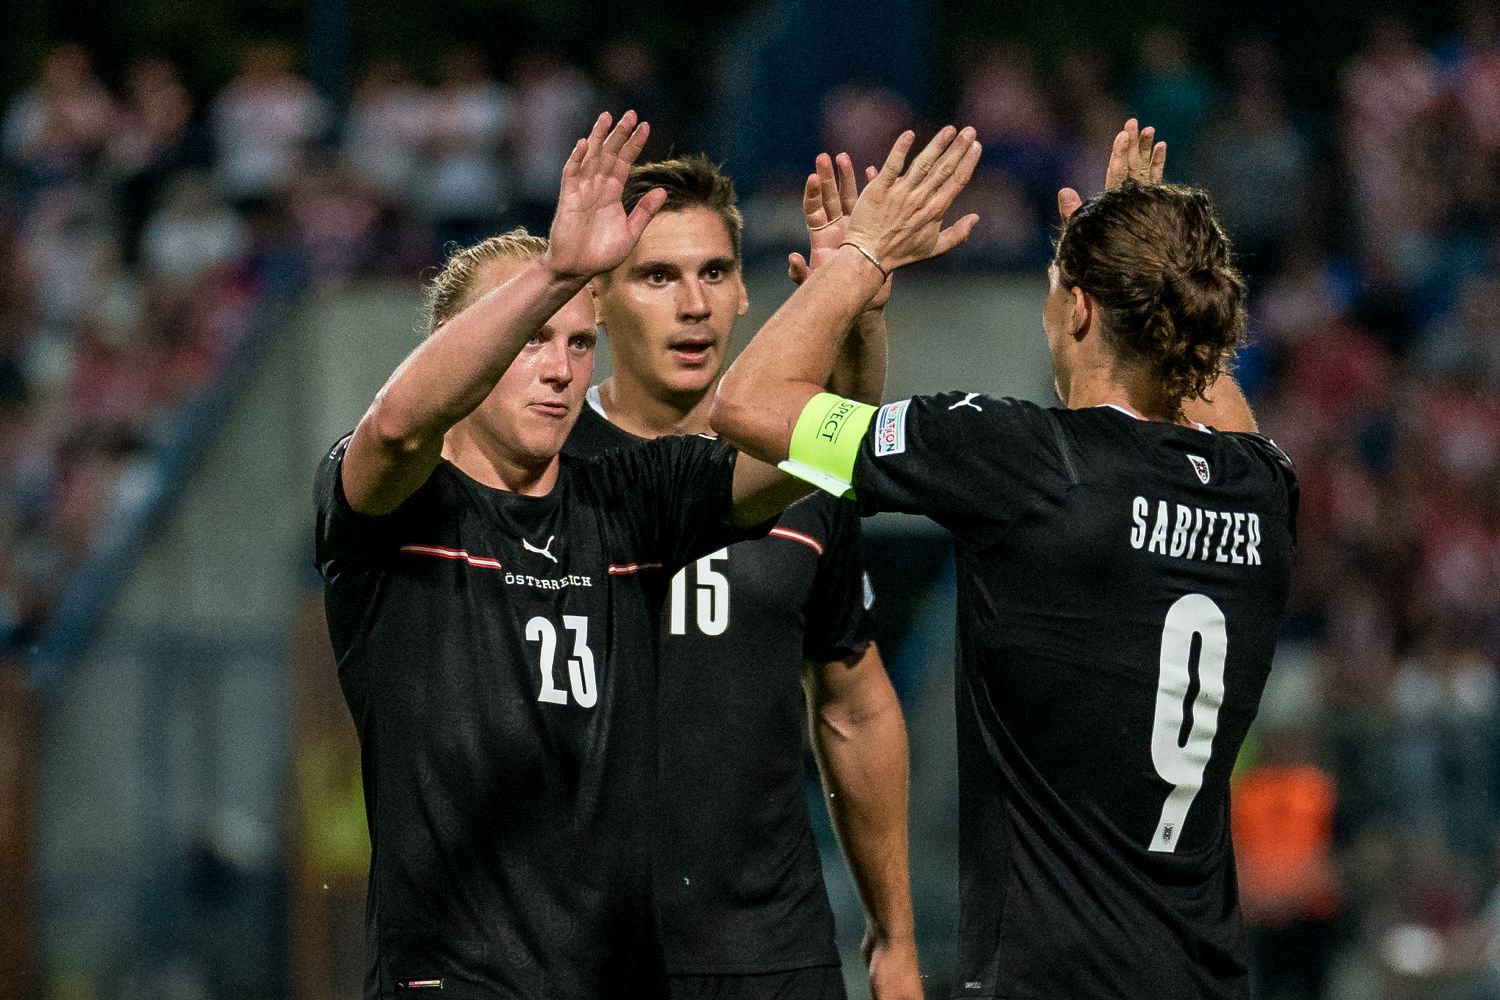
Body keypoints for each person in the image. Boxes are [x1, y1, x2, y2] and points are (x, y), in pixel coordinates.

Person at [710, 121, 1298, 999]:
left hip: (1049, 979)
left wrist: (861, 257)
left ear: (1084, 309)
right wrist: (1153, 251)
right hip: (1206, 977)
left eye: (1055, 286)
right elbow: (1204, 382)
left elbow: (747, 405)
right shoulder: (1263, 487)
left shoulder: (1020, 457)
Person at [313, 111, 814, 999]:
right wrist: (555, 273)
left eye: (578, 342)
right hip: (449, 981)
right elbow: (396, 423)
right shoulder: (397, 508)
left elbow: (803, 446)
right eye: (529, 340)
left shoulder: (622, 500)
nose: (558, 368)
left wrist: (852, 275)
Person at [562, 152, 918, 1000]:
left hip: (773, 951)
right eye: (656, 276)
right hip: (585, 954)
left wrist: (894, 937)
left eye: (714, 271)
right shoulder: (547, 469)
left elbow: (853, 703)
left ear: (747, 291)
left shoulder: (795, 469)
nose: (694, 305)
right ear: (597, 302)